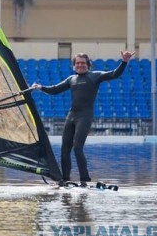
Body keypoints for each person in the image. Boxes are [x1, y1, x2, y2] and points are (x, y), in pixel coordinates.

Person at [30, 50, 135, 187]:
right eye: (77, 63)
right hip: (71, 116)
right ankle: (65, 179)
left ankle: (84, 179)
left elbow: (114, 74)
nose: (80, 65)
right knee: (64, 149)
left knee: (78, 147)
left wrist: (124, 62)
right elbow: (55, 89)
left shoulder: (94, 76)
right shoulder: (71, 79)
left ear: (88, 64)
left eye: (83, 63)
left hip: (84, 116)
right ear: (74, 65)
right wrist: (40, 87)